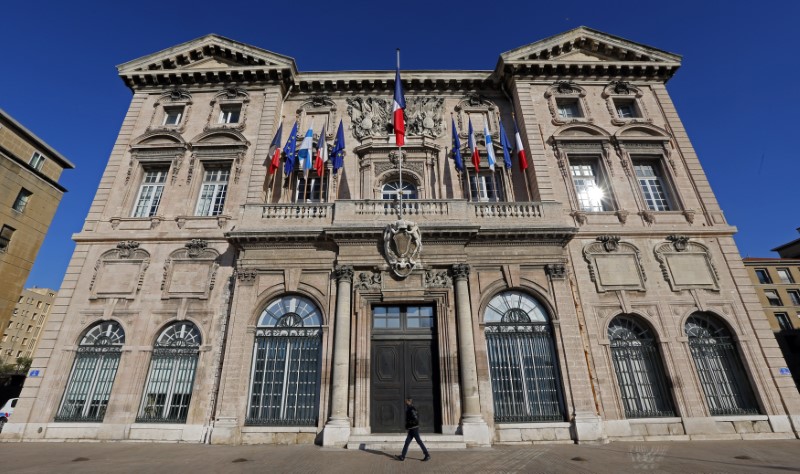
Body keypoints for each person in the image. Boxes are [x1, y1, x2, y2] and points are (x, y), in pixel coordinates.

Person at [397, 397, 430, 462]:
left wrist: (409, 424)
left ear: (409, 401)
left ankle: (427, 455)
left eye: (406, 401)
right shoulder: (410, 408)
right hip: (411, 429)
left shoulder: (412, 409)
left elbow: (415, 418)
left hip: (414, 428)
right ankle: (402, 456)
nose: (405, 402)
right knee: (407, 442)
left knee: (419, 441)